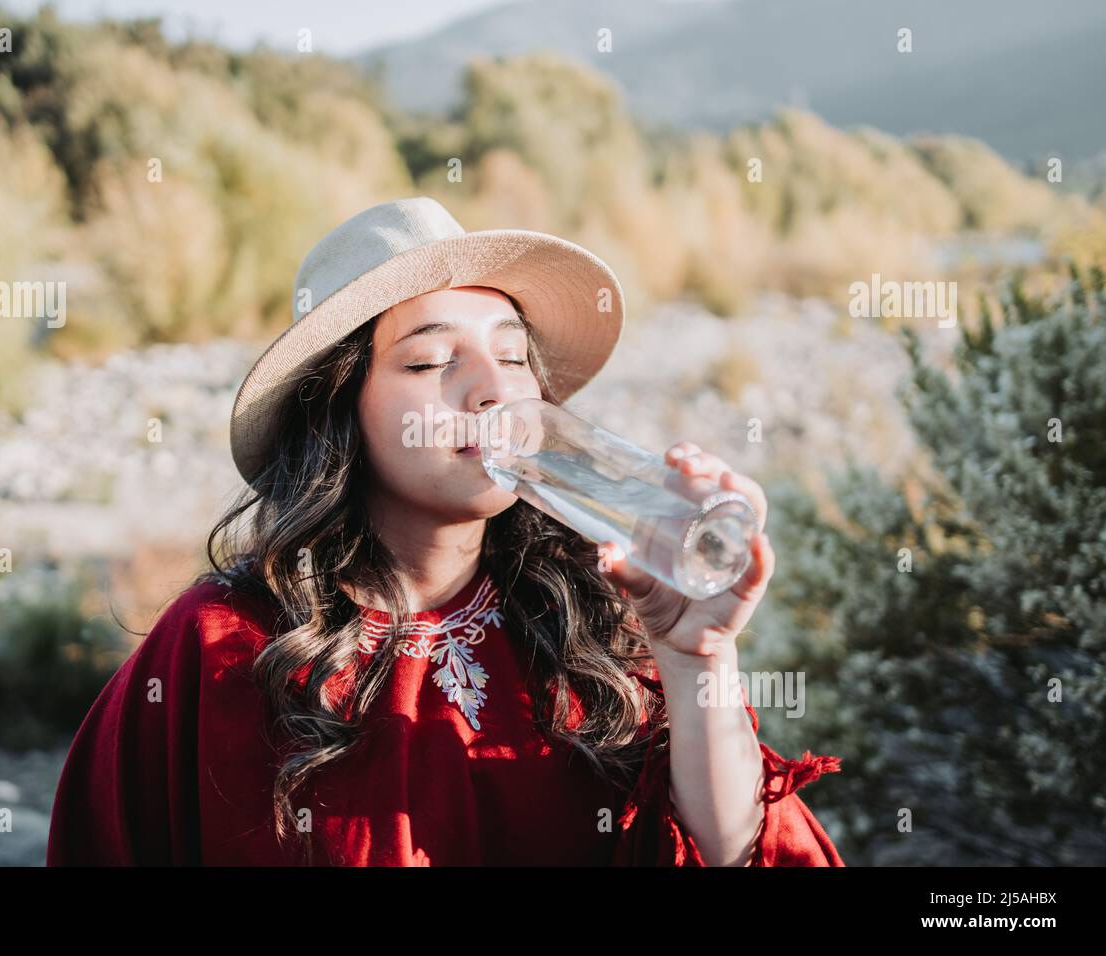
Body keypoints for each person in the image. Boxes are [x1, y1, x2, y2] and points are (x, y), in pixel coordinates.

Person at [46, 197, 843, 866]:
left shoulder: (596, 612)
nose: (494, 392)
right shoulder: (222, 646)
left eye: (513, 356)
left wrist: (698, 660)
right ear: (339, 413)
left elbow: (740, 851)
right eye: (430, 364)